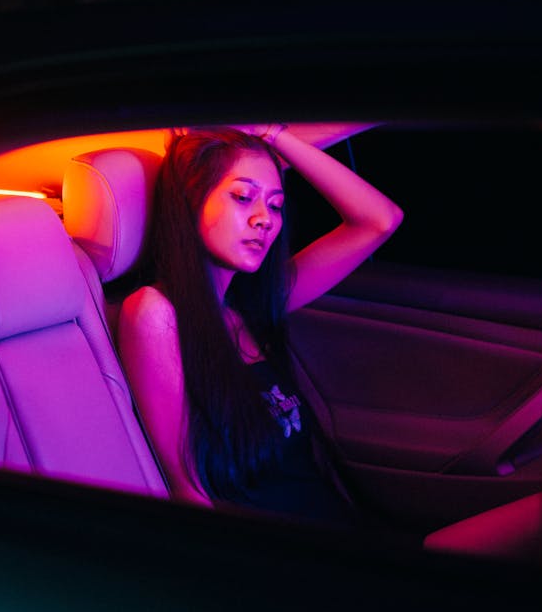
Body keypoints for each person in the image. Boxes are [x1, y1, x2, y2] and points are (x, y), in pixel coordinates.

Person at [117, 123, 404, 526]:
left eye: (275, 204)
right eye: (243, 196)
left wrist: (271, 133)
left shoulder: (254, 304)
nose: (264, 219)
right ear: (189, 201)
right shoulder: (154, 312)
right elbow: (189, 487)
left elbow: (380, 219)